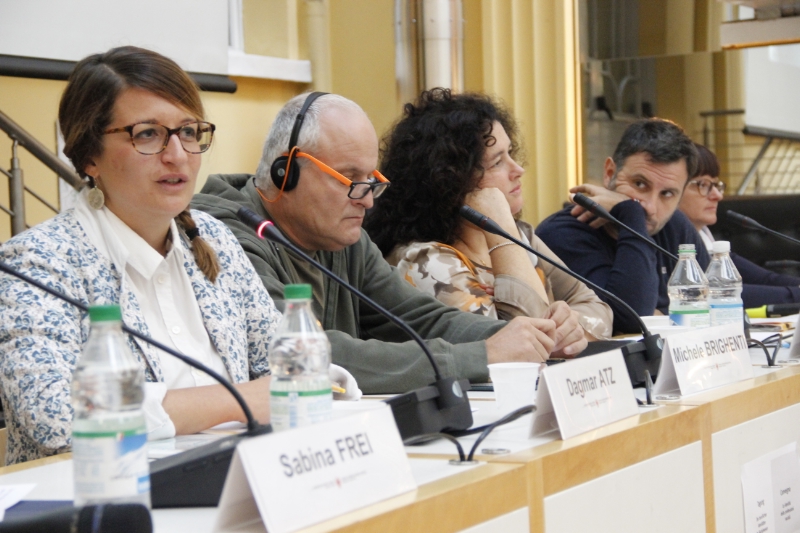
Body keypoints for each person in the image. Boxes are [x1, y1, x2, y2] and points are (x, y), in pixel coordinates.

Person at [0, 48, 358, 465]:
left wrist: (315, 383)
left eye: (188, 132)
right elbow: (55, 418)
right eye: (147, 134)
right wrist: (237, 400)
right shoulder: (35, 262)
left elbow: (286, 367)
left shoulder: (214, 239)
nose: (177, 154)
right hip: (100, 494)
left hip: (234, 480)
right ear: (89, 156)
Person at [191, 92, 559, 394]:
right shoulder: (226, 236)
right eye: (350, 179)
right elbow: (303, 352)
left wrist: (525, 339)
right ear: (286, 172)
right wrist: (482, 356)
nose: (367, 200)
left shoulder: (343, 239)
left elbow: (421, 318)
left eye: (371, 180)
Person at [364, 89, 611, 357]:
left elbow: (598, 307)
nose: (518, 170)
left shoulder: (522, 236)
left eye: (510, 153)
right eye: (497, 163)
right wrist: (501, 227)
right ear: (449, 180)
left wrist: (571, 329)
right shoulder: (425, 262)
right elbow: (519, 351)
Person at [536, 119, 707, 334]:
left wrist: (662, 316)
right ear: (609, 173)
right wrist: (630, 213)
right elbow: (632, 319)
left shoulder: (674, 226)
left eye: (667, 194)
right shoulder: (563, 233)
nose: (650, 207)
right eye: (639, 184)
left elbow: (711, 307)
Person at [678, 143, 800, 306]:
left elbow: (766, 279)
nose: (717, 196)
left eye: (716, 185)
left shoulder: (704, 236)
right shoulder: (670, 242)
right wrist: (794, 295)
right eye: (703, 185)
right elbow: (717, 292)